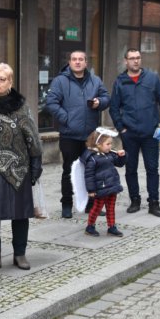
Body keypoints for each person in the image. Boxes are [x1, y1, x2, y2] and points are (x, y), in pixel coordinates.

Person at [0, 63, 42, 270]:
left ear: (10, 82)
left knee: (21, 213)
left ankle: (20, 254)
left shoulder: (20, 104)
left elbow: (32, 133)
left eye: (1, 79)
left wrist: (36, 160)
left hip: (19, 166)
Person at [45, 50, 110, 219]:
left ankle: (90, 204)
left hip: (90, 136)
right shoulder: (60, 81)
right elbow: (51, 103)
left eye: (81, 59)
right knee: (69, 170)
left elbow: (106, 97)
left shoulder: (95, 81)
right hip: (69, 134)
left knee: (91, 170)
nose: (78, 62)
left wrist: (99, 103)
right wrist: (65, 118)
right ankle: (66, 204)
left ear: (86, 63)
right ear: (70, 62)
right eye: (74, 59)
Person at [109, 48, 160, 217]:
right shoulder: (120, 81)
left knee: (152, 168)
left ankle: (154, 202)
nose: (135, 61)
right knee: (131, 168)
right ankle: (134, 200)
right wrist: (121, 127)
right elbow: (114, 107)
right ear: (126, 61)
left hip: (150, 132)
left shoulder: (152, 78)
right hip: (129, 134)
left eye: (138, 58)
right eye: (132, 58)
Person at [80, 127, 127, 237]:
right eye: (108, 144)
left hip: (112, 186)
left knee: (111, 208)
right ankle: (90, 226)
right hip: (100, 188)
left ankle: (112, 227)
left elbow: (119, 163)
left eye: (111, 144)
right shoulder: (92, 159)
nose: (110, 146)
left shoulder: (109, 154)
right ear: (98, 144)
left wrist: (122, 156)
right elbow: (89, 175)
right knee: (97, 208)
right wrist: (91, 190)